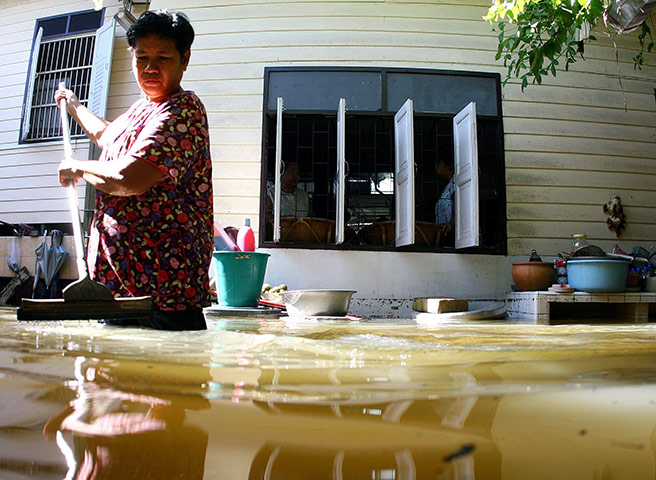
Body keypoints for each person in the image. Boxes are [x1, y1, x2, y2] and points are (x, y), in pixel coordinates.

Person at [54, 10, 212, 330]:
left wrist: (77, 167)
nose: (150, 68)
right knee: (110, 377)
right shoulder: (141, 110)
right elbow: (105, 135)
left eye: (162, 57)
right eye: (142, 58)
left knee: (163, 376)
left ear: (185, 59)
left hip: (164, 293)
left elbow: (129, 179)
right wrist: (73, 105)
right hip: (117, 286)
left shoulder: (182, 110)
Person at [435, 159, 455, 243]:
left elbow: (458, 202)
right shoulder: (449, 185)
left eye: (438, 164)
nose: (436, 167)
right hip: (445, 231)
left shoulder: (456, 182)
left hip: (452, 232)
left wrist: (451, 223)